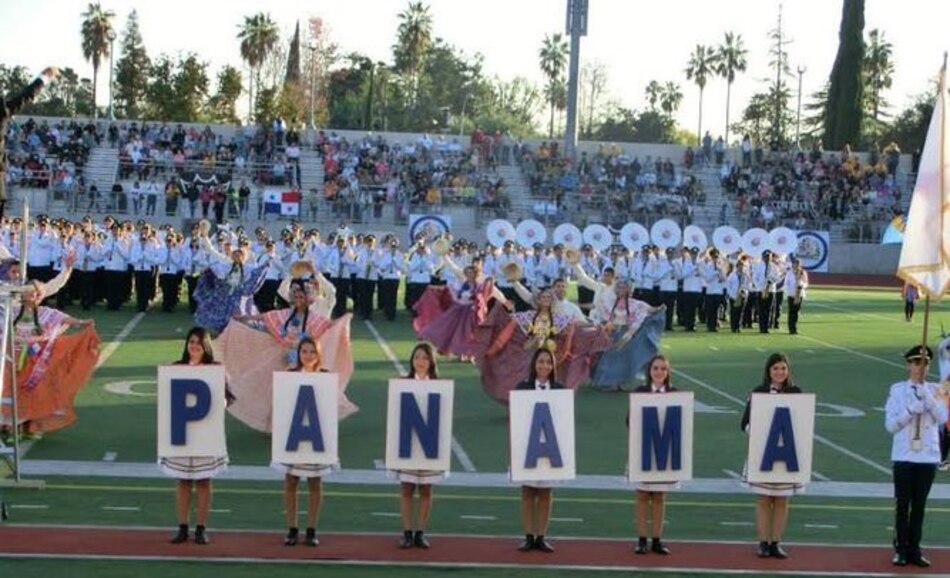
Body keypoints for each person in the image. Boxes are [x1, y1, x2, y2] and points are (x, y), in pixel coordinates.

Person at [160, 327, 230, 545]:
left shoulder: (216, 370)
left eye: (199, 343)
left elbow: (225, 400)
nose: (194, 346)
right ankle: (182, 527)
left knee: (203, 480)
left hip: (205, 432)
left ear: (206, 346)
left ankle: (200, 527)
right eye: (191, 342)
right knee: (182, 480)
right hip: (182, 432)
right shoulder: (176, 368)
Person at [885, 345, 947, 567]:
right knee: (903, 505)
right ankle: (901, 548)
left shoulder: (936, 389)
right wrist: (911, 409)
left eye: (925, 363)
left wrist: (929, 400)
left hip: (928, 456)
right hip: (904, 455)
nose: (921, 368)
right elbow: (891, 425)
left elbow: (942, 418)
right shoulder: (897, 390)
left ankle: (915, 548)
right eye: (916, 363)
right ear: (908, 365)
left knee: (919, 505)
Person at [740, 353, 803, 559]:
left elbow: (802, 423)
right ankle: (763, 542)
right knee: (764, 498)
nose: (779, 372)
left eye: (783, 368)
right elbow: (745, 423)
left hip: (787, 453)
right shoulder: (759, 392)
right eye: (775, 368)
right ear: (768, 371)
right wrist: (758, 430)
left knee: (782, 499)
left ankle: (776, 542)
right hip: (763, 451)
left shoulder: (796, 392)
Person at [274, 337, 328, 547]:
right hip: (294, 436)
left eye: (312, 351)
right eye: (304, 351)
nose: (308, 355)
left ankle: (312, 529)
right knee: (291, 481)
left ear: (318, 354)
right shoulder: (290, 376)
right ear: (298, 354)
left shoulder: (326, 377)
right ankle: (292, 528)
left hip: (316, 436)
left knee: (315, 482)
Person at [514, 347, 563, 553]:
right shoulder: (522, 387)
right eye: (540, 361)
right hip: (528, 446)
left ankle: (541, 536)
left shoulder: (560, 389)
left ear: (553, 366)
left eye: (548, 362)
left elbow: (564, 421)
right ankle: (528, 536)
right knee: (527, 492)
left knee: (545, 492)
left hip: (550, 449)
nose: (544, 366)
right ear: (534, 364)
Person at [396, 342, 442, 549]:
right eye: (416, 357)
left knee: (425, 488)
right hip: (408, 442)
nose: (420, 362)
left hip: (429, 443)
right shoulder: (403, 383)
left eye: (424, 358)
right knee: (407, 487)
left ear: (431, 361)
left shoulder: (439, 385)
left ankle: (420, 533)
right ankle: (407, 532)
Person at [631, 355, 677, 555]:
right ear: (649, 371)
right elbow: (629, 421)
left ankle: (657, 539)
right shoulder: (640, 392)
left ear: (667, 373)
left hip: (664, 452)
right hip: (643, 450)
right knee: (642, 495)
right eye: (655, 368)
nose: (659, 372)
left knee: (659, 496)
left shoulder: (674, 394)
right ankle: (642, 539)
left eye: (663, 369)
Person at [1, 67, 59, 219]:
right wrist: (43, 78)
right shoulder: (3, 112)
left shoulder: (3, 113)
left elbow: (24, 96)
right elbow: (25, 96)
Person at [589, 279, 666, 391]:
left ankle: (622, 383)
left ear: (629, 290)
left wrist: (659, 308)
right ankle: (611, 383)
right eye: (619, 287)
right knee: (610, 359)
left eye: (623, 287)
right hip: (613, 334)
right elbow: (601, 311)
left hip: (627, 335)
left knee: (626, 360)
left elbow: (649, 309)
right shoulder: (610, 302)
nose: (621, 290)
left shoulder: (634, 303)